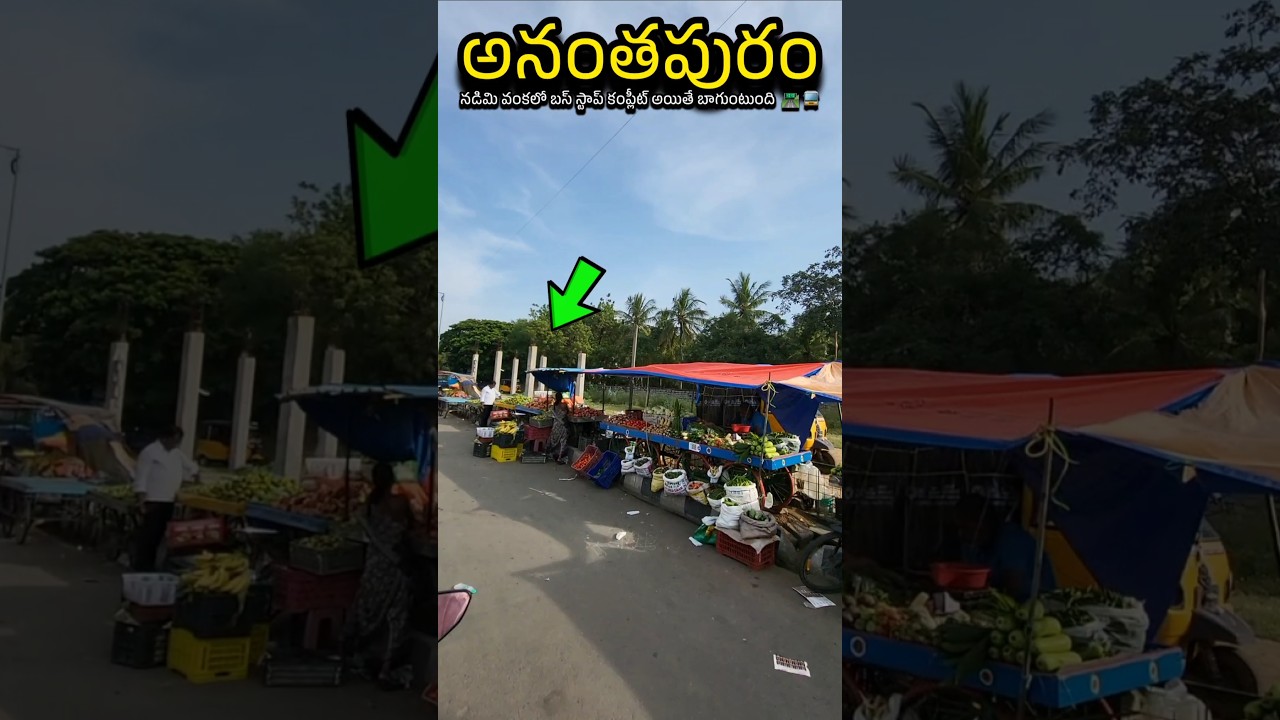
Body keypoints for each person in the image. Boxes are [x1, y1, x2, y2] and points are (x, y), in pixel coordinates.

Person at [346, 462, 416, 690]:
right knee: (394, 618)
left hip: (374, 566)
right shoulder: (399, 503)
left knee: (369, 611)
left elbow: (364, 524)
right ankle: (386, 670)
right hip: (392, 568)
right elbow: (411, 530)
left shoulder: (370, 504)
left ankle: (363, 658)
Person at [951, 492, 1056, 600]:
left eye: (966, 527)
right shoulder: (970, 545)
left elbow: (1014, 586)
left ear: (983, 521)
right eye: (959, 528)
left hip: (1034, 604)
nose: (961, 534)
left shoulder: (1013, 540)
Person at [131, 426, 199, 571]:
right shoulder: (150, 452)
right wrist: (141, 499)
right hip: (153, 500)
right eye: (174, 441)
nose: (176, 444)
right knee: (149, 535)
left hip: (169, 500)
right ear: (165, 438)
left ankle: (153, 565)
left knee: (161, 535)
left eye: (178, 441)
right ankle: (142, 566)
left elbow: (191, 466)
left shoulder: (176, 453)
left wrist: (196, 474)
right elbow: (141, 477)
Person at [547, 391, 570, 463]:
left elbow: (554, 414)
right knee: (562, 441)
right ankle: (559, 458)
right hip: (562, 425)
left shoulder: (554, 405)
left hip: (555, 425)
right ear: (562, 398)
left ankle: (552, 454)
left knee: (554, 439)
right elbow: (567, 413)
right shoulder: (564, 405)